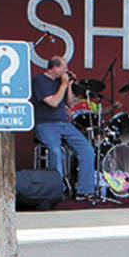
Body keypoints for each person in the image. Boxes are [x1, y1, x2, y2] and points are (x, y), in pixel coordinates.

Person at [32, 56, 98, 200]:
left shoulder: (60, 83)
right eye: (64, 67)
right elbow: (54, 102)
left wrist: (68, 86)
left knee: (87, 150)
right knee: (56, 152)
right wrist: (63, 84)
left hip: (63, 123)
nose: (66, 70)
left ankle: (85, 190)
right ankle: (57, 190)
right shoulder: (39, 81)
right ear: (55, 68)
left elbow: (70, 103)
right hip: (45, 124)